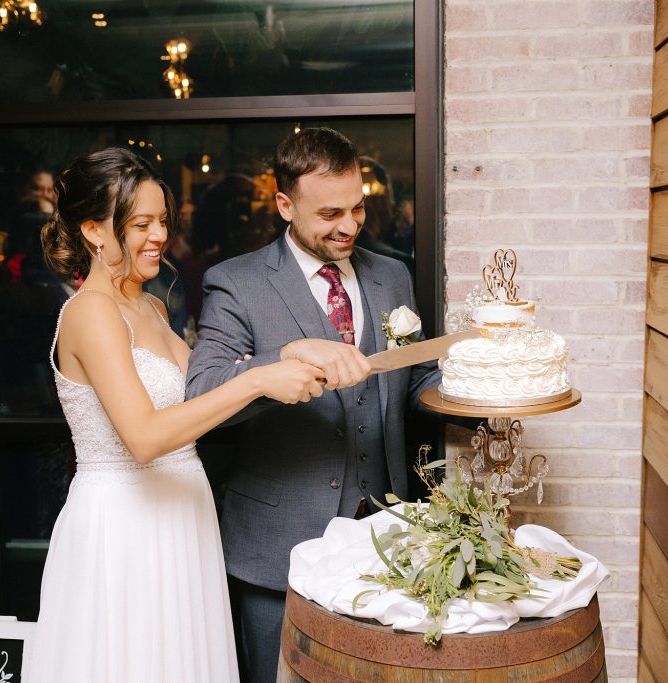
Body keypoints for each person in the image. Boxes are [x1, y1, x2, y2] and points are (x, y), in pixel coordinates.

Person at [28, 146, 325, 682]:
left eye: (162, 220)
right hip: (125, 527)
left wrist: (286, 357)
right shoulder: (90, 312)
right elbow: (142, 437)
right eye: (141, 224)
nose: (160, 236)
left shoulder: (150, 305)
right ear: (95, 231)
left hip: (182, 517)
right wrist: (261, 378)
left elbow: (209, 391)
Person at [185, 127, 441, 683]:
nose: (349, 226)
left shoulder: (392, 274)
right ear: (284, 205)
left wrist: (482, 388)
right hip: (278, 549)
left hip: (388, 540)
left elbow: (418, 378)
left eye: (358, 208)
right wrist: (279, 363)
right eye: (329, 213)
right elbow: (201, 393)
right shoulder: (236, 283)